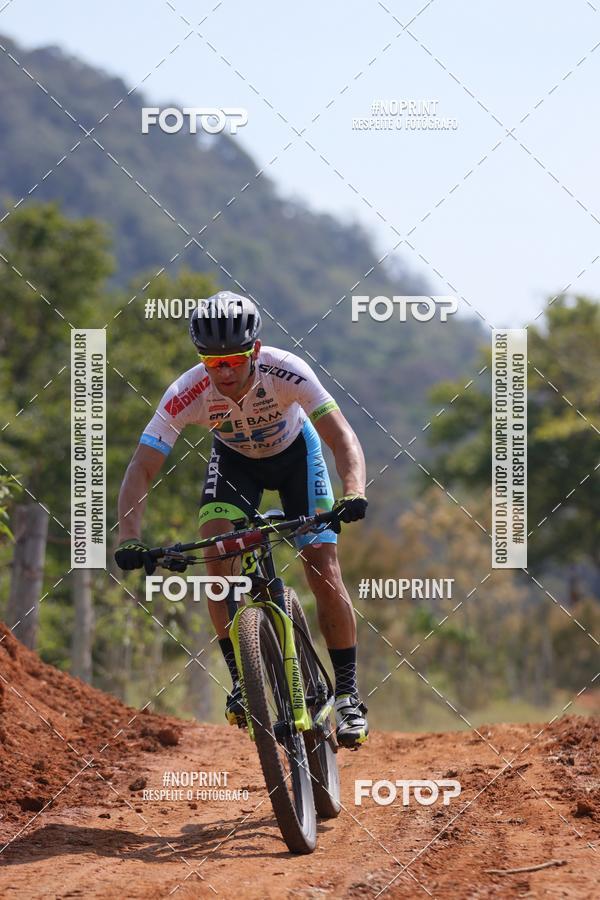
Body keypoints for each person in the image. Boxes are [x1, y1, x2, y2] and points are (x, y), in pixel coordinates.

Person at [115, 290, 369, 748]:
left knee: (322, 566)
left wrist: (353, 491)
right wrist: (130, 537)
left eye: (233, 359)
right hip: (235, 466)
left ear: (254, 349)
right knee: (217, 560)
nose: (225, 372)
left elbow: (341, 437)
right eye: (213, 363)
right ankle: (241, 679)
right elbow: (142, 467)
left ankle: (348, 694)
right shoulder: (186, 392)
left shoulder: (286, 370)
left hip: (297, 458)